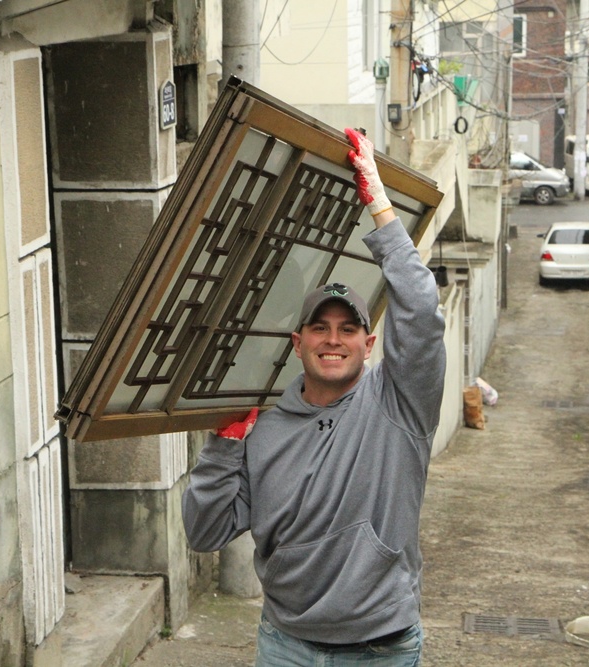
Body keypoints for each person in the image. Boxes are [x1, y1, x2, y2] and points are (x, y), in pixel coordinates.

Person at [182, 127, 446, 666]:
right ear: (296, 342)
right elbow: (205, 531)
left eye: (348, 329)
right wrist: (224, 447)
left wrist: (377, 200)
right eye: (319, 327)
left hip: (380, 648)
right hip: (286, 646)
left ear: (369, 344)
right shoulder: (267, 427)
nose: (333, 339)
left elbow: (420, 310)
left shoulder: (398, 406)